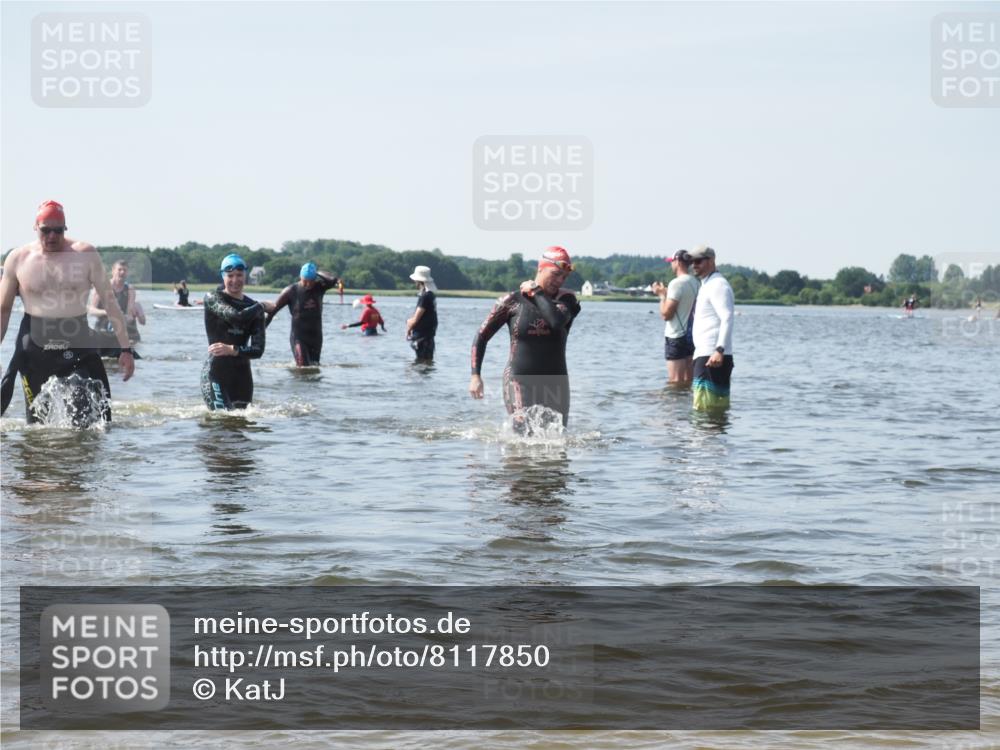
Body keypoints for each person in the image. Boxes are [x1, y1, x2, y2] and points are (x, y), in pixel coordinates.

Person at [0, 200, 135, 423]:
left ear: (65, 228)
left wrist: (126, 349)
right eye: (46, 230)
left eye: (58, 230)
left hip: (76, 338)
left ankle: (79, 457)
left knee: (85, 412)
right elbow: (3, 310)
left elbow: (111, 304)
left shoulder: (85, 254)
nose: (52, 236)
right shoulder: (18, 258)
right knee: (36, 425)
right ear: (36, 227)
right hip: (33, 343)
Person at [469, 246, 581, 426]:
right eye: (555, 273)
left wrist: (536, 292)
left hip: (556, 381)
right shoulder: (511, 302)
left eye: (564, 276)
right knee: (523, 433)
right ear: (541, 268)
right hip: (518, 379)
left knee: (557, 439)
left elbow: (556, 321)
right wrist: (476, 376)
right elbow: (481, 336)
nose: (560, 280)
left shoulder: (566, 300)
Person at [201, 253, 272, 410]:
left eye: (239, 275)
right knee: (221, 423)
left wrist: (233, 350)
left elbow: (257, 351)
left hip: (242, 377)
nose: (235, 280)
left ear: (245, 275)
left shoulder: (253, 307)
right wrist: (262, 306)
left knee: (242, 429)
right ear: (222, 277)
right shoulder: (213, 298)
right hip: (215, 375)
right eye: (230, 275)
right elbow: (236, 317)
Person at [265, 262, 339, 366]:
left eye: (311, 281)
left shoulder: (319, 287)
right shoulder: (291, 291)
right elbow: (272, 311)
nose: (308, 285)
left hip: (316, 338)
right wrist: (261, 330)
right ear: (300, 277)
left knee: (314, 368)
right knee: (303, 368)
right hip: (299, 338)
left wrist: (317, 272)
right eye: (305, 281)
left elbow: (333, 279)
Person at [689, 245, 734, 412]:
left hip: (713, 356)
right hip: (705, 353)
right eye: (692, 261)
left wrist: (719, 350)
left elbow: (727, 317)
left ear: (711, 260)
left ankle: (704, 438)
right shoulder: (707, 285)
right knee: (711, 412)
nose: (694, 265)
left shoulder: (718, 285)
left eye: (699, 261)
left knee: (704, 410)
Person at [651, 249, 700, 384]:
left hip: (676, 336)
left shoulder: (676, 283)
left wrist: (661, 296)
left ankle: (676, 406)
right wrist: (666, 293)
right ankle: (685, 405)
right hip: (691, 336)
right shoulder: (696, 282)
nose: (671, 264)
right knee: (688, 381)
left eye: (671, 261)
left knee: (675, 382)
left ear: (677, 262)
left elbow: (666, 314)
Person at [89, 258, 146, 356]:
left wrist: (132, 315)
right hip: (103, 329)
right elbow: (91, 310)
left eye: (125, 270)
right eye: (119, 269)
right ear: (113, 271)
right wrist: (107, 312)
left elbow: (129, 315)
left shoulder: (130, 290)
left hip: (124, 330)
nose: (122, 272)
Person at [405, 265, 438, 362]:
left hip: (422, 338)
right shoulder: (431, 295)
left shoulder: (425, 297)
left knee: (421, 365)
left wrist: (408, 325)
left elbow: (416, 319)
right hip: (429, 336)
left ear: (419, 281)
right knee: (427, 364)